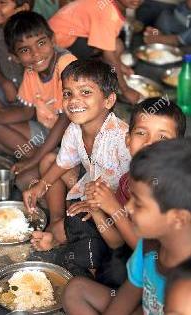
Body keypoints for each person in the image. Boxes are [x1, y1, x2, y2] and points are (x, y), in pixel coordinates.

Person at [62, 138, 191, 315]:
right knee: (75, 290)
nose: (128, 208)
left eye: (138, 204)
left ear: (178, 218)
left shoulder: (186, 293)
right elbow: (127, 296)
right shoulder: (148, 247)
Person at [23, 60, 131, 269]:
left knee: (75, 224)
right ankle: (57, 219)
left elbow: (132, 190)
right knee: (48, 162)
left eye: (86, 92)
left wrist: (98, 207)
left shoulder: (122, 138)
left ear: (108, 101)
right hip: (90, 189)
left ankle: (57, 236)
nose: (74, 100)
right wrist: (40, 186)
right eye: (68, 93)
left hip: (114, 208)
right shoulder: (74, 129)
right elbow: (63, 163)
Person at [0, 11, 76, 189]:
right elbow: (27, 111)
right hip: (47, 132)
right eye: (25, 50)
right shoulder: (31, 71)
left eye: (41, 43)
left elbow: (65, 118)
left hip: (73, 139)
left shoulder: (66, 64)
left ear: (53, 40)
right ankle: (39, 158)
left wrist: (34, 160)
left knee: (23, 181)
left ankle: (38, 159)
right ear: (15, 57)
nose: (36, 54)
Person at [75, 97, 186, 249]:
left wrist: (113, 208)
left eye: (162, 137)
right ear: (128, 140)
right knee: (78, 223)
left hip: (158, 268)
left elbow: (146, 251)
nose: (149, 143)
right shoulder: (127, 180)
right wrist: (97, 208)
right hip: (132, 259)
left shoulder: (172, 192)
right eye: (141, 133)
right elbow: (118, 242)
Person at [48, 0, 143, 104]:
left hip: (66, 36)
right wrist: (126, 90)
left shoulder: (112, 6)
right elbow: (109, 56)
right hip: (56, 46)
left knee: (117, 45)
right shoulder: (107, 12)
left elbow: (109, 41)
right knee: (108, 57)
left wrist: (120, 65)